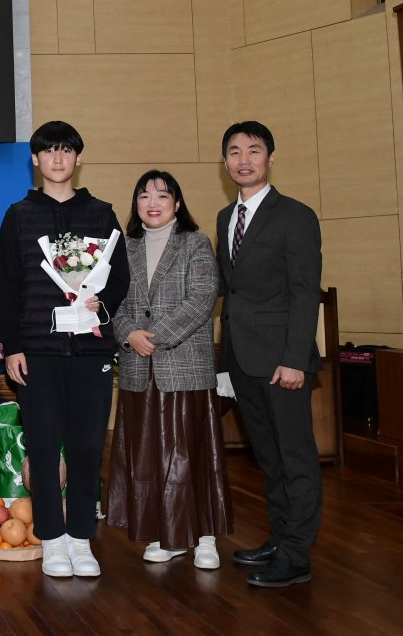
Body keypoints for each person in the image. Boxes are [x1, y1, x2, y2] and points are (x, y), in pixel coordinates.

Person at [0, 121, 129, 579]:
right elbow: (8, 285)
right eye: (48, 151)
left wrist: (100, 304)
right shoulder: (18, 215)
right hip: (38, 351)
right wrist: (13, 346)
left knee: (88, 446)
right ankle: (52, 538)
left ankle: (81, 538)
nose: (57, 158)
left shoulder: (101, 213)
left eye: (66, 150)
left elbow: (120, 276)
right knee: (44, 446)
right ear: (35, 159)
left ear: (78, 157)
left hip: (91, 351)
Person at [106, 170, 231, 569]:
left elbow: (202, 298)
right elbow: (111, 303)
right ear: (136, 204)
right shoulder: (124, 248)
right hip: (138, 369)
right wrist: (129, 334)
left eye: (162, 195)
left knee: (192, 455)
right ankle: (167, 535)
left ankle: (205, 536)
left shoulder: (195, 243)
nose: (153, 202)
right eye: (144, 195)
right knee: (150, 459)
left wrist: (154, 337)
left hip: (185, 367)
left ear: (177, 203)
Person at [216, 122, 322, 588]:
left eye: (254, 151)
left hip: (282, 361)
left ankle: (297, 554)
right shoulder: (226, 217)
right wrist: (224, 363)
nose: (244, 160)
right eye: (235, 152)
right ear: (225, 162)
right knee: (269, 458)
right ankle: (280, 537)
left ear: (270, 158)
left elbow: (304, 292)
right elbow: (230, 292)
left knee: (296, 458)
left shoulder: (296, 216)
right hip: (242, 360)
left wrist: (295, 358)